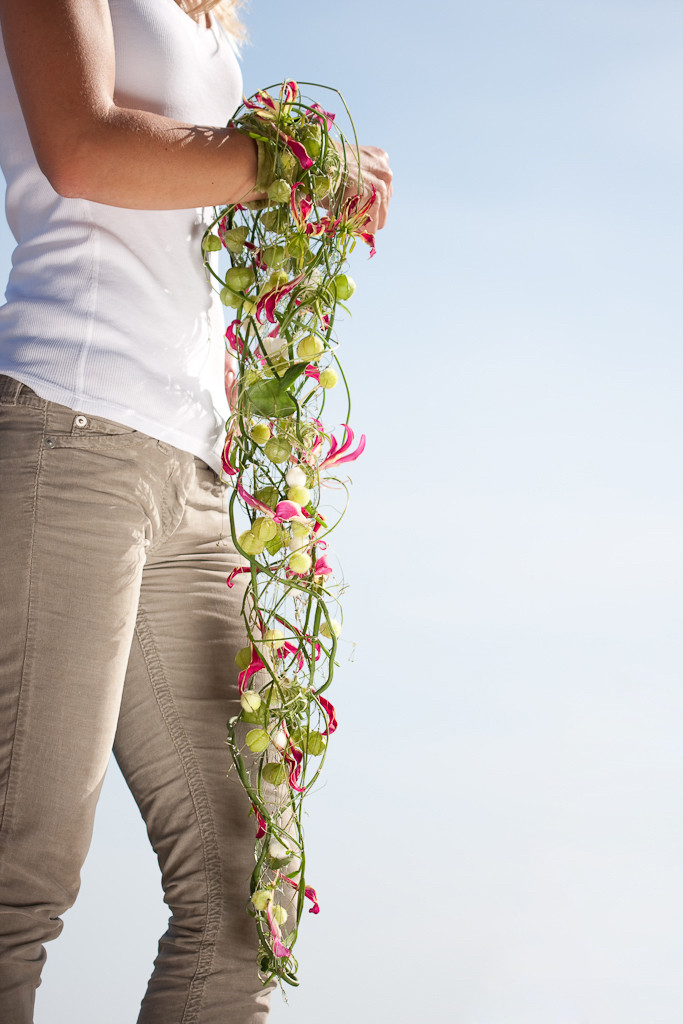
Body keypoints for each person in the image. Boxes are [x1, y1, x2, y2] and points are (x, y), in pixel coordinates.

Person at [0, 0, 393, 1020]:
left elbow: (184, 200)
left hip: (190, 474)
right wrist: (284, 164)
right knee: (20, 878)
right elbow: (82, 149)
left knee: (242, 900)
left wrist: (303, 192)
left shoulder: (205, 12)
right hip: (70, 432)